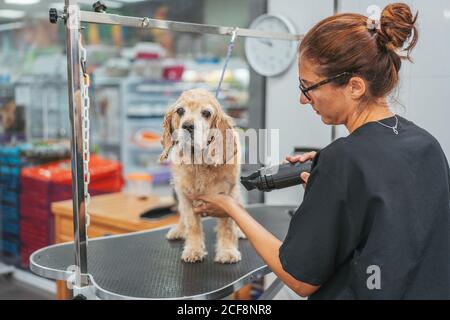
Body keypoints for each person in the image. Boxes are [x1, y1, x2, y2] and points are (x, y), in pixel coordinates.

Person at [189, 3, 450, 299]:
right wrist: (331, 180)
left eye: (308, 86)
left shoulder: (343, 159)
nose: (303, 99)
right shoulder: (426, 143)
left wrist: (230, 207)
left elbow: (300, 279)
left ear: (354, 86)